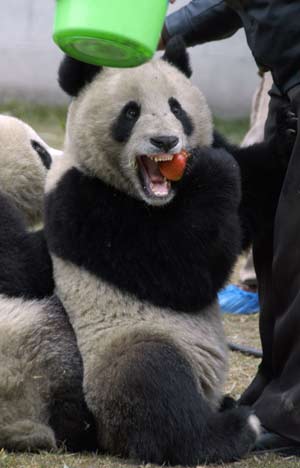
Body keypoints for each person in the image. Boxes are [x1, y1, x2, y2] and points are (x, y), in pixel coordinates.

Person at [159, 0, 300, 450]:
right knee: (277, 246)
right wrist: (164, 30)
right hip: (289, 82)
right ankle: (276, 385)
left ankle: (293, 413)